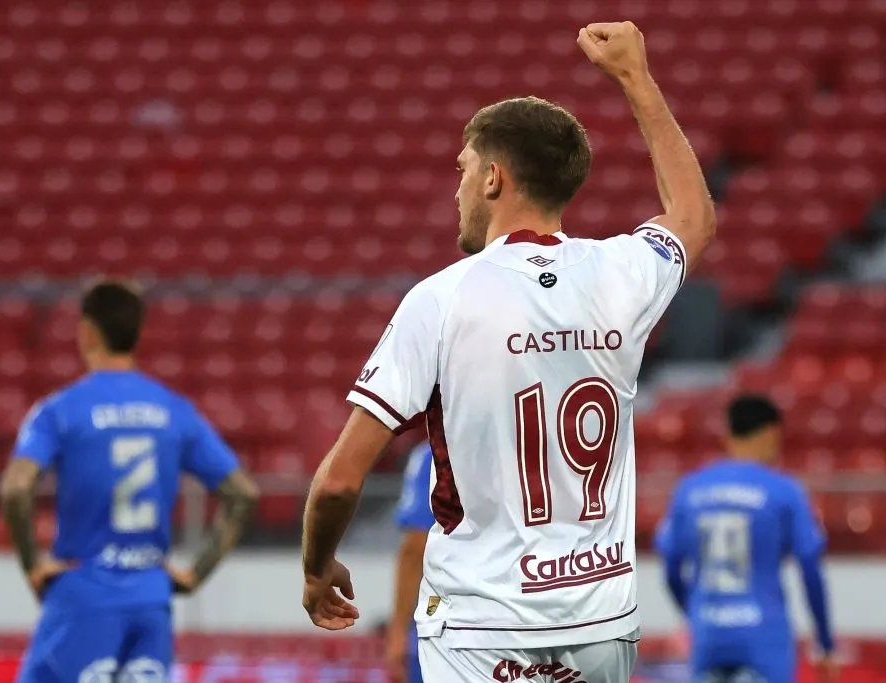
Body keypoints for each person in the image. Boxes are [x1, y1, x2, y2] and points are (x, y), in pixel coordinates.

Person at [300, 21, 715, 683]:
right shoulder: (621, 273)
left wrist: (317, 566)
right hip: (601, 620)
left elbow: (340, 481)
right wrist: (636, 78)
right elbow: (692, 216)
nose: (455, 189)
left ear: (494, 178)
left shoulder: (441, 298)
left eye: (463, 170)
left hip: (480, 624)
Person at [0, 281, 259, 683]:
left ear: (86, 331)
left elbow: (16, 488)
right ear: (139, 335)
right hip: (151, 601)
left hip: (83, 594)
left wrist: (32, 564)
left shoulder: (60, 410)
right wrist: (195, 573)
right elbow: (241, 493)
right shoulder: (174, 410)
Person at [656, 395, 836, 683]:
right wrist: (825, 643)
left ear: (728, 435)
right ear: (772, 433)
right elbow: (810, 570)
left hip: (709, 634)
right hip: (765, 637)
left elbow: (671, 570)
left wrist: (695, 613)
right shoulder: (783, 490)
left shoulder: (689, 490)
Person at [386, 444, 435, 683]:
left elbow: (416, 546)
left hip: (450, 621)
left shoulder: (435, 453)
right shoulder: (532, 448)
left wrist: (397, 632)